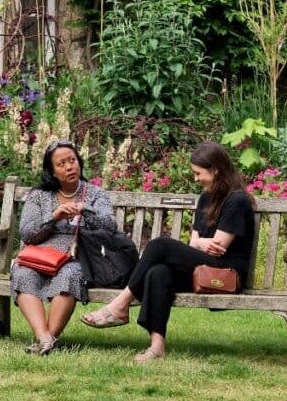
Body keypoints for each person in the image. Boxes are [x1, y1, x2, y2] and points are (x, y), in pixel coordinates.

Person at [80, 141, 256, 363]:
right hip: (204, 268)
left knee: (160, 245)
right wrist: (201, 243)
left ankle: (120, 304)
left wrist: (200, 243)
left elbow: (219, 247)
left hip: (226, 273)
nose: (195, 178)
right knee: (159, 272)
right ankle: (156, 347)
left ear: (216, 170)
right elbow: (195, 241)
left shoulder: (237, 200)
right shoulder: (206, 197)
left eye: (198, 173)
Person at [11, 140, 116, 355]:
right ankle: (44, 338)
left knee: (70, 275)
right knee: (22, 273)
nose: (69, 167)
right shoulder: (39, 195)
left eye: (72, 160)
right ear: (52, 171)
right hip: (39, 256)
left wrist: (84, 210)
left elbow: (110, 224)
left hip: (75, 257)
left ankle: (46, 341)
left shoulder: (94, 194)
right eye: (61, 164)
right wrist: (53, 217)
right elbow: (27, 233)